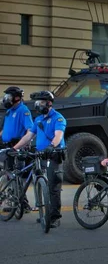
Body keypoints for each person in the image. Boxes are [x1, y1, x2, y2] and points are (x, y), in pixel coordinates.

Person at [13, 91, 66, 228]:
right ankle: (44, 213)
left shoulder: (58, 118)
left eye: (41, 103)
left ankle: (54, 217)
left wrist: (52, 146)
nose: (38, 105)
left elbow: (58, 136)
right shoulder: (38, 119)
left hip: (53, 154)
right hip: (40, 154)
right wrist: (15, 148)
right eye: (37, 103)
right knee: (39, 181)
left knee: (54, 186)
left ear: (49, 103)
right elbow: (28, 136)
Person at [1, 86, 34, 212]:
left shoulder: (23, 110)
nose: (6, 99)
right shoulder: (9, 111)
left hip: (17, 146)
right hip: (8, 145)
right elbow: (6, 129)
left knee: (17, 174)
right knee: (9, 174)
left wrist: (24, 145)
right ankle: (15, 201)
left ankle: (23, 203)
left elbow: (29, 129)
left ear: (17, 98)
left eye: (9, 97)